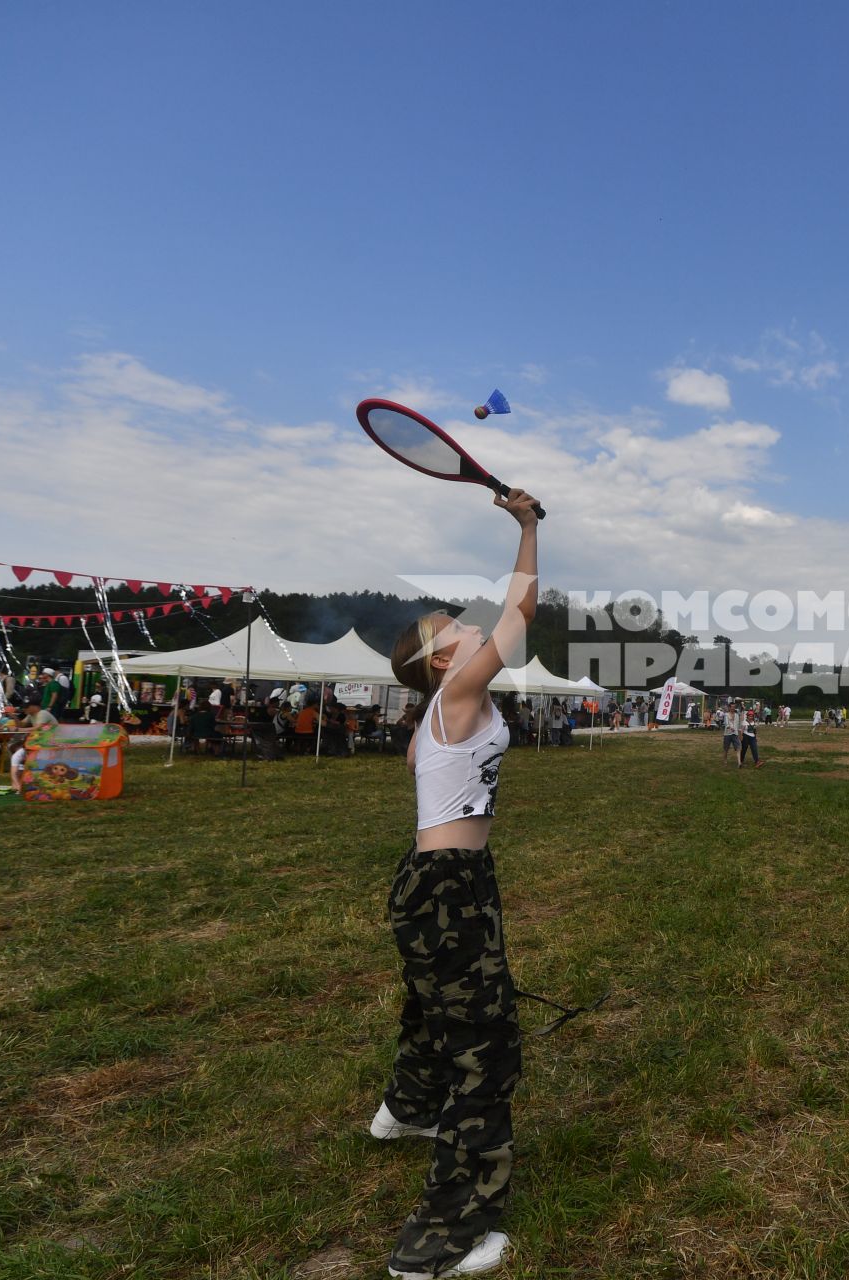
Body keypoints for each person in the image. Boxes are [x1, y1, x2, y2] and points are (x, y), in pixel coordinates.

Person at [369, 486, 540, 1280]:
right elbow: (520, 614)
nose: (466, 625)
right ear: (442, 661)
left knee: (434, 1008)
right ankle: (437, 1243)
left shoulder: (435, 714)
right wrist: (529, 527)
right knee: (486, 1046)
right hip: (449, 885)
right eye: (453, 631)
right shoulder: (459, 694)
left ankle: (404, 1110)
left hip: (434, 881)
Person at [739, 703, 761, 769]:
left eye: (752, 716)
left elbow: (755, 731)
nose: (751, 717)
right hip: (745, 737)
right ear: (747, 716)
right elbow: (742, 731)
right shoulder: (744, 722)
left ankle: (757, 762)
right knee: (744, 750)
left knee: (754, 749)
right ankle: (741, 761)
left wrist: (755, 737)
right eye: (749, 716)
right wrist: (741, 737)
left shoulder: (754, 722)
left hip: (752, 737)